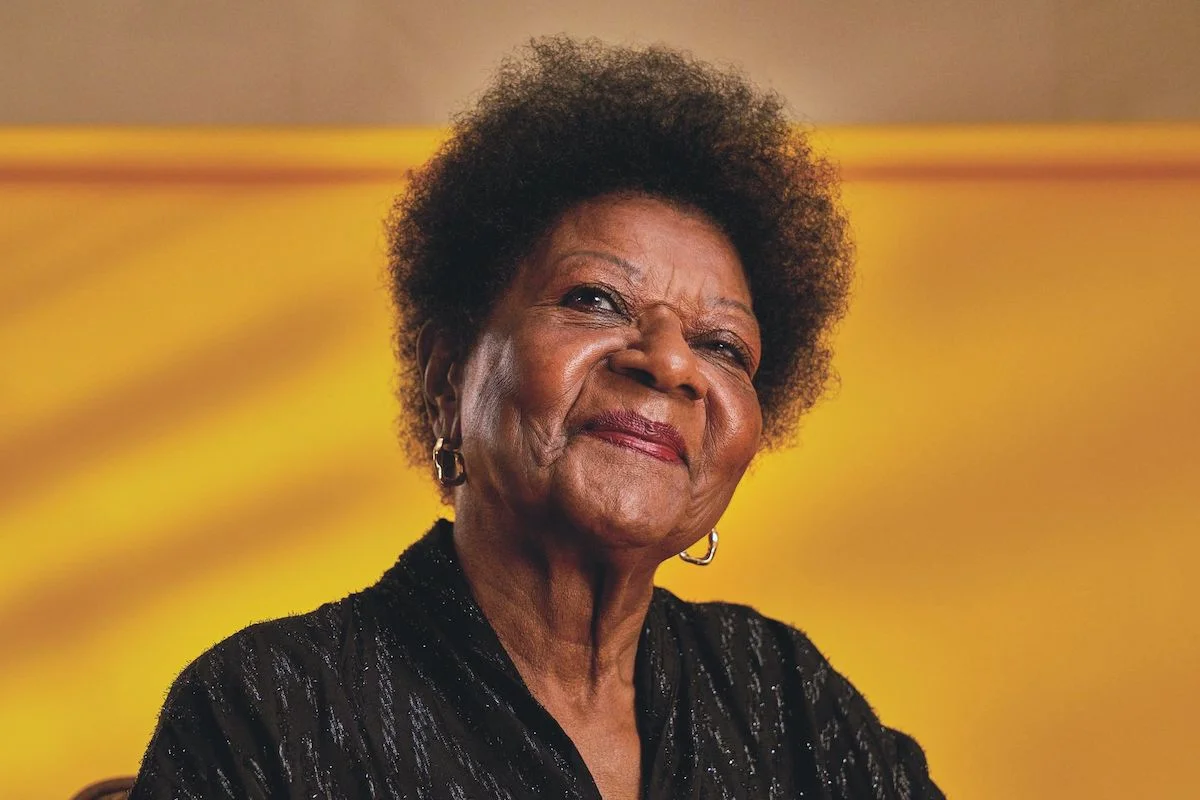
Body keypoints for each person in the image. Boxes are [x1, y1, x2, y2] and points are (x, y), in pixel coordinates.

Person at [130, 37, 943, 800]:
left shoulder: (790, 703)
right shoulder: (270, 712)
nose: (669, 362)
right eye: (594, 300)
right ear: (449, 379)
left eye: (724, 345)